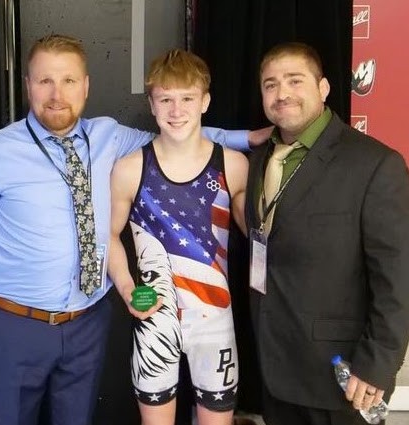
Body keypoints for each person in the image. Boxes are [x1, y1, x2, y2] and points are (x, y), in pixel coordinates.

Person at [0, 34, 268, 425]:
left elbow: (176, 138)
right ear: (27, 84)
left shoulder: (108, 135)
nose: (56, 93)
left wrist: (246, 139)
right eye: (44, 80)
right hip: (16, 325)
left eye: (68, 81)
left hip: (86, 322)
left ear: (86, 86)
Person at [244, 41, 409, 425]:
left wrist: (377, 365)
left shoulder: (375, 165)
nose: (282, 93)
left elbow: (399, 277)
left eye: (295, 80)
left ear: (323, 88)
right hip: (277, 369)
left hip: (342, 378)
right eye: (271, 85)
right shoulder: (260, 160)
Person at [108, 49, 248, 425]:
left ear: (205, 101)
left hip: (215, 321)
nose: (176, 110)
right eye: (165, 99)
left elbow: (260, 236)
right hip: (154, 316)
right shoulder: (130, 168)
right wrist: (125, 288)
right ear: (152, 105)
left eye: (187, 98)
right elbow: (108, 235)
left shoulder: (234, 166)